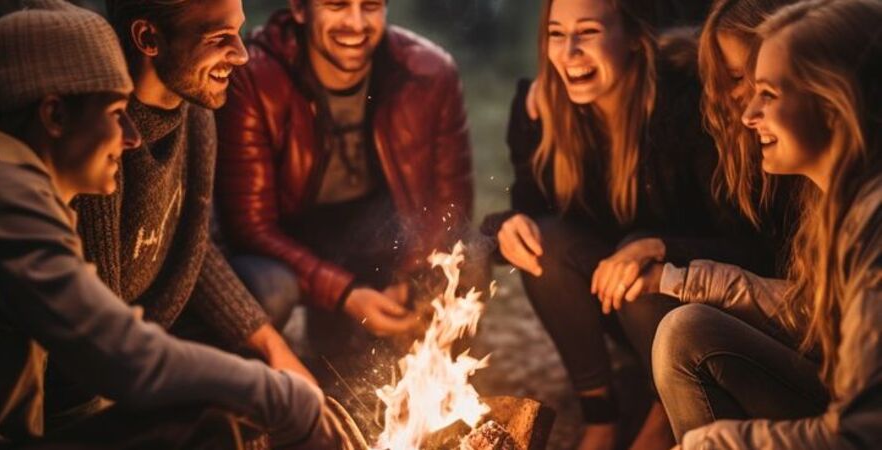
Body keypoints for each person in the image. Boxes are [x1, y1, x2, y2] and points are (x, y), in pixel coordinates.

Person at [0, 2, 337, 448]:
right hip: (66, 404)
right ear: (54, 116)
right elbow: (117, 355)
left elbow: (186, 242)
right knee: (214, 420)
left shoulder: (17, 189)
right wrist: (282, 398)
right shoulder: (6, 202)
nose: (130, 137)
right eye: (115, 114)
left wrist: (268, 354)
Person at [480, 0, 773, 448]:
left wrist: (658, 246)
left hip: (694, 302)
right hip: (611, 295)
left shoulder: (684, 105)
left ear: (635, 38)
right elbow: (528, 209)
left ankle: (666, 407)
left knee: (636, 262)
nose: (570, 52)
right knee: (547, 243)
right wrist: (505, 227)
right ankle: (601, 414)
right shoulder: (540, 110)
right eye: (557, 34)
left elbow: (749, 244)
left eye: (589, 32)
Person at [650, 0, 882, 448]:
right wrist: (684, 281)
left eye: (768, 95)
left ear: (834, 102)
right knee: (688, 330)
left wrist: (715, 443)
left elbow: (865, 432)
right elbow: (813, 313)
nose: (746, 114)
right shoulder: (842, 202)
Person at [66, 0, 314, 409]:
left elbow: (191, 238)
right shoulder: (103, 133)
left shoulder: (195, 111)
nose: (241, 53)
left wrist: (275, 351)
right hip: (96, 355)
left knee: (270, 291)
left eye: (238, 31)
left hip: (157, 311)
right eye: (219, 38)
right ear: (148, 38)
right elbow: (98, 329)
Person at [213, 0, 474, 371]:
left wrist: (410, 276)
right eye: (337, 5)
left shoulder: (429, 72)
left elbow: (451, 204)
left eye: (370, 6)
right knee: (270, 290)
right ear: (299, 10)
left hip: (380, 233)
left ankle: (427, 376)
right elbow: (250, 228)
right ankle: (247, 389)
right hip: (293, 240)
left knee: (470, 256)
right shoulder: (254, 76)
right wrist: (346, 295)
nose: (356, 23)